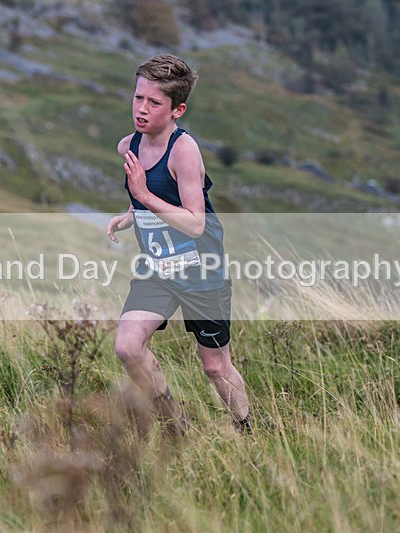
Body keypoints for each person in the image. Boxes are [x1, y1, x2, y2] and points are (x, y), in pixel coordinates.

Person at [106, 54, 251, 435]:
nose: (141, 109)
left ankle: (248, 430)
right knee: (127, 347)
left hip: (201, 270)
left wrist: (142, 196)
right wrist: (131, 211)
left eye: (154, 103)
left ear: (177, 110)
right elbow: (149, 195)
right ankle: (175, 424)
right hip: (157, 268)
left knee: (215, 365)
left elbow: (194, 222)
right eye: (138, 97)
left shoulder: (184, 151)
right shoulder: (129, 145)